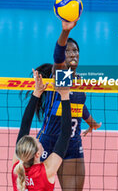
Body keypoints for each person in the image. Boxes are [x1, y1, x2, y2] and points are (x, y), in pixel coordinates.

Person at [34, 20, 101, 190]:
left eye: (75, 51)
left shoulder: (79, 81)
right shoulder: (61, 75)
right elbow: (57, 56)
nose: (72, 54)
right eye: (68, 51)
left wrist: (91, 122)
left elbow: (79, 105)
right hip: (48, 142)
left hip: (72, 142)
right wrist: (65, 32)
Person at [12, 69, 71, 191]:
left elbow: (65, 134)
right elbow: (65, 134)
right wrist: (64, 96)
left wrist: (37, 92)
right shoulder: (46, 170)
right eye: (37, 141)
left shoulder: (17, 168)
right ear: (37, 154)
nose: (38, 139)